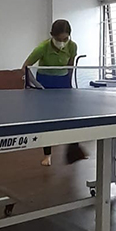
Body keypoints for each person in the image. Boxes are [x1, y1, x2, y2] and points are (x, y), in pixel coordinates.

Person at [23, 19, 86, 166]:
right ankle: (47, 155)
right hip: (45, 82)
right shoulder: (42, 48)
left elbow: (70, 65)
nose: (62, 42)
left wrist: (68, 83)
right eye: (58, 39)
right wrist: (36, 85)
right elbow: (25, 67)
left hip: (63, 81)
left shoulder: (72, 46)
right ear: (52, 35)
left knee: (71, 117)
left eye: (65, 39)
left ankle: (74, 151)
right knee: (47, 120)